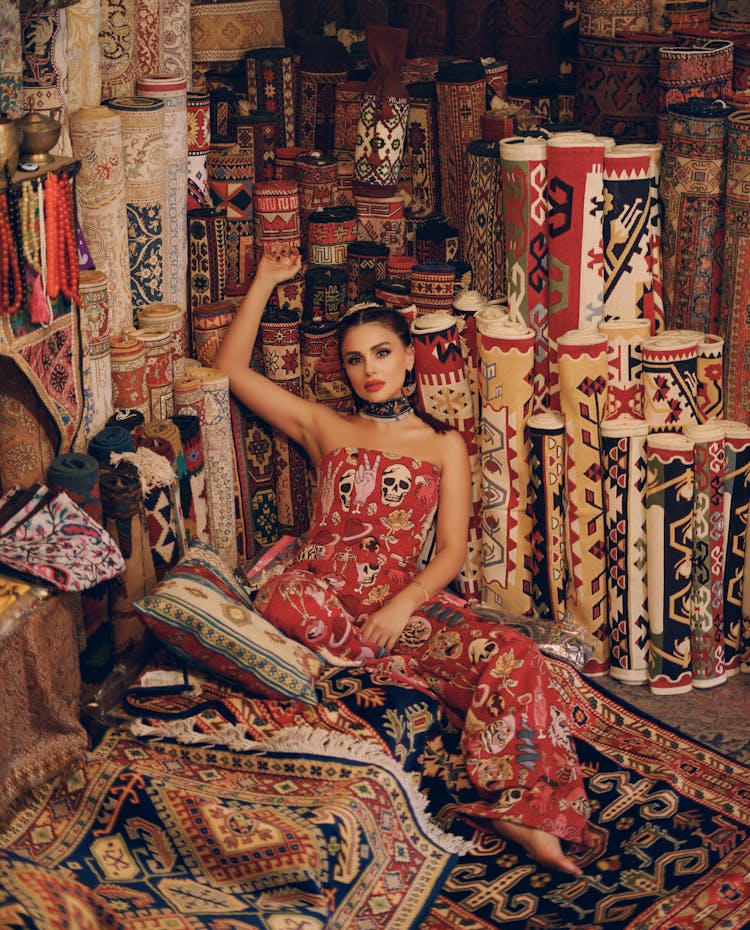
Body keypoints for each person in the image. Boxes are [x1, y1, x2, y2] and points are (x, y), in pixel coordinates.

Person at [215, 244, 591, 876]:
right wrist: (264, 279)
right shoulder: (324, 427)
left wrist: (402, 606)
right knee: (282, 595)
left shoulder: (445, 445)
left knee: (514, 653)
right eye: (355, 358)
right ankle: (386, 675)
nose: (369, 370)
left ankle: (519, 809)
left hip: (400, 611)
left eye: (382, 353)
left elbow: (448, 552)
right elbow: (226, 370)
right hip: (322, 603)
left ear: (408, 357)